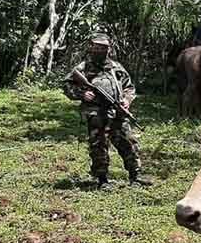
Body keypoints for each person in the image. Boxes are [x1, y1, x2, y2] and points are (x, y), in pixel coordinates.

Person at [63, 34, 152, 190]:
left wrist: (126, 100)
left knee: (128, 142)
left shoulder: (116, 67)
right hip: (96, 112)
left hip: (117, 111)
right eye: (96, 46)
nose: (99, 50)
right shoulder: (83, 68)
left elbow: (129, 87)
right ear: (90, 47)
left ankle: (136, 175)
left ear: (109, 49)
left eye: (103, 47)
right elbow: (67, 86)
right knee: (99, 145)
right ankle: (102, 180)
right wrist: (82, 94)